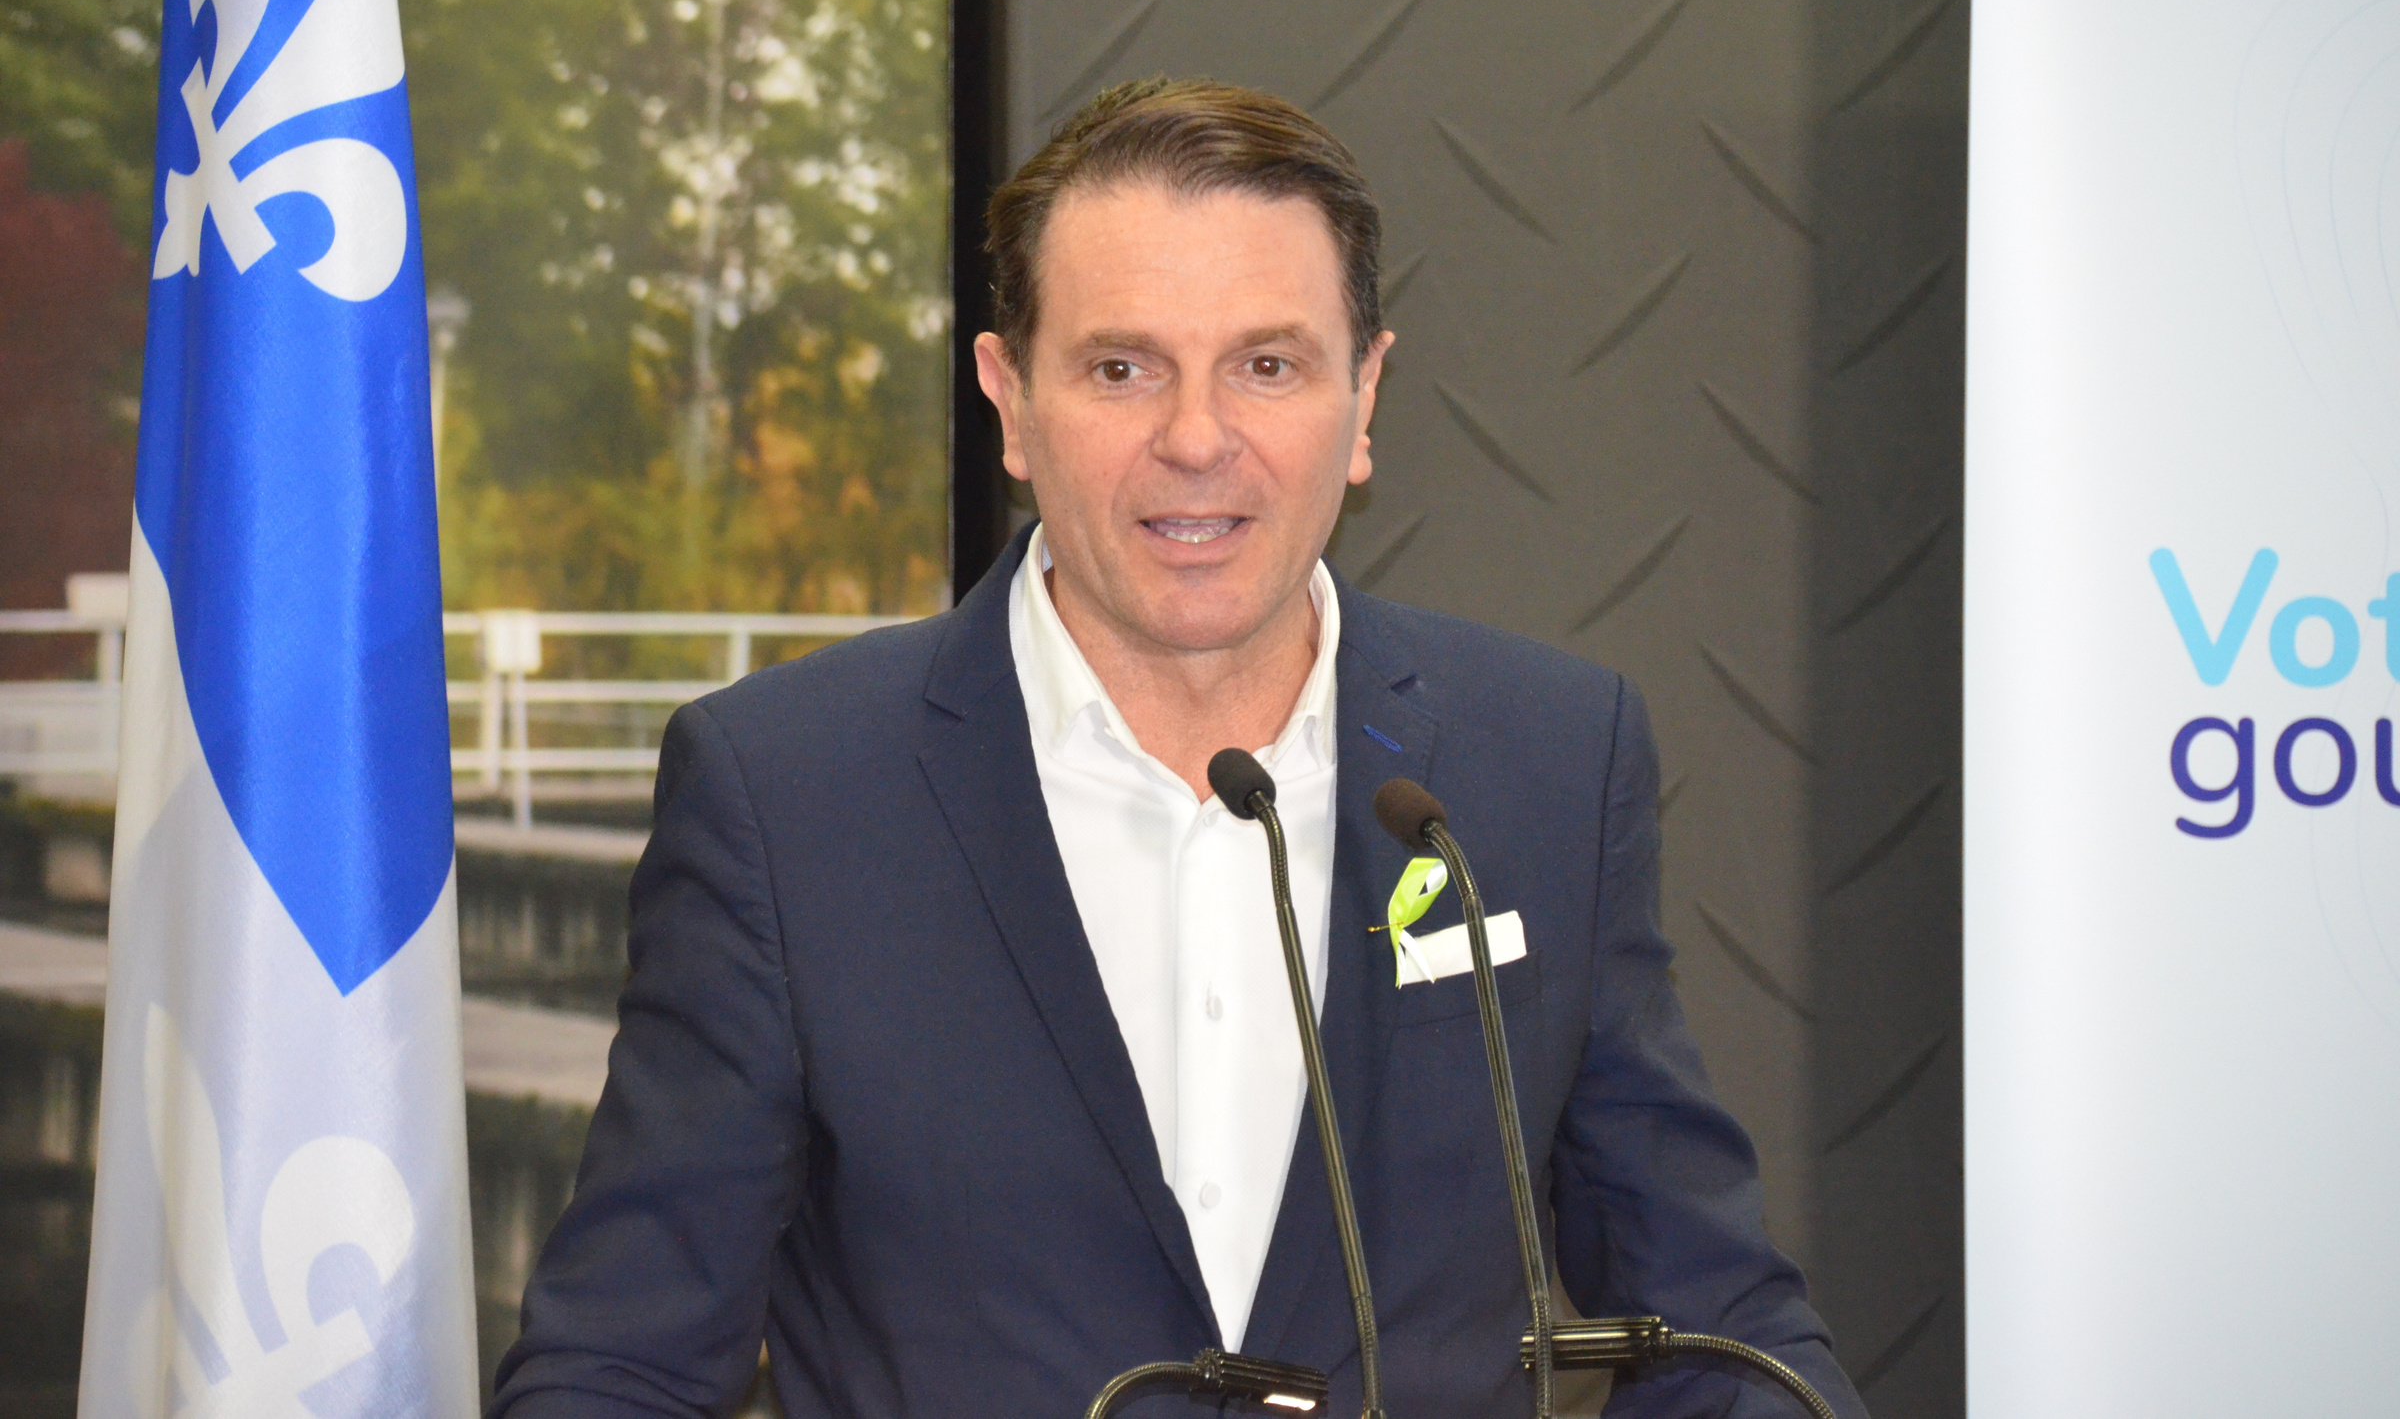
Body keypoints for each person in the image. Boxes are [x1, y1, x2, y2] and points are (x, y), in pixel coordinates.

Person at [490, 78, 1867, 1419]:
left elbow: (1723, 1331)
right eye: (1121, 368)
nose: (1197, 439)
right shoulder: (786, 792)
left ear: (1364, 398)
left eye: (1267, 365)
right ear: (1011, 401)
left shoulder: (1549, 759)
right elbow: (619, 1366)